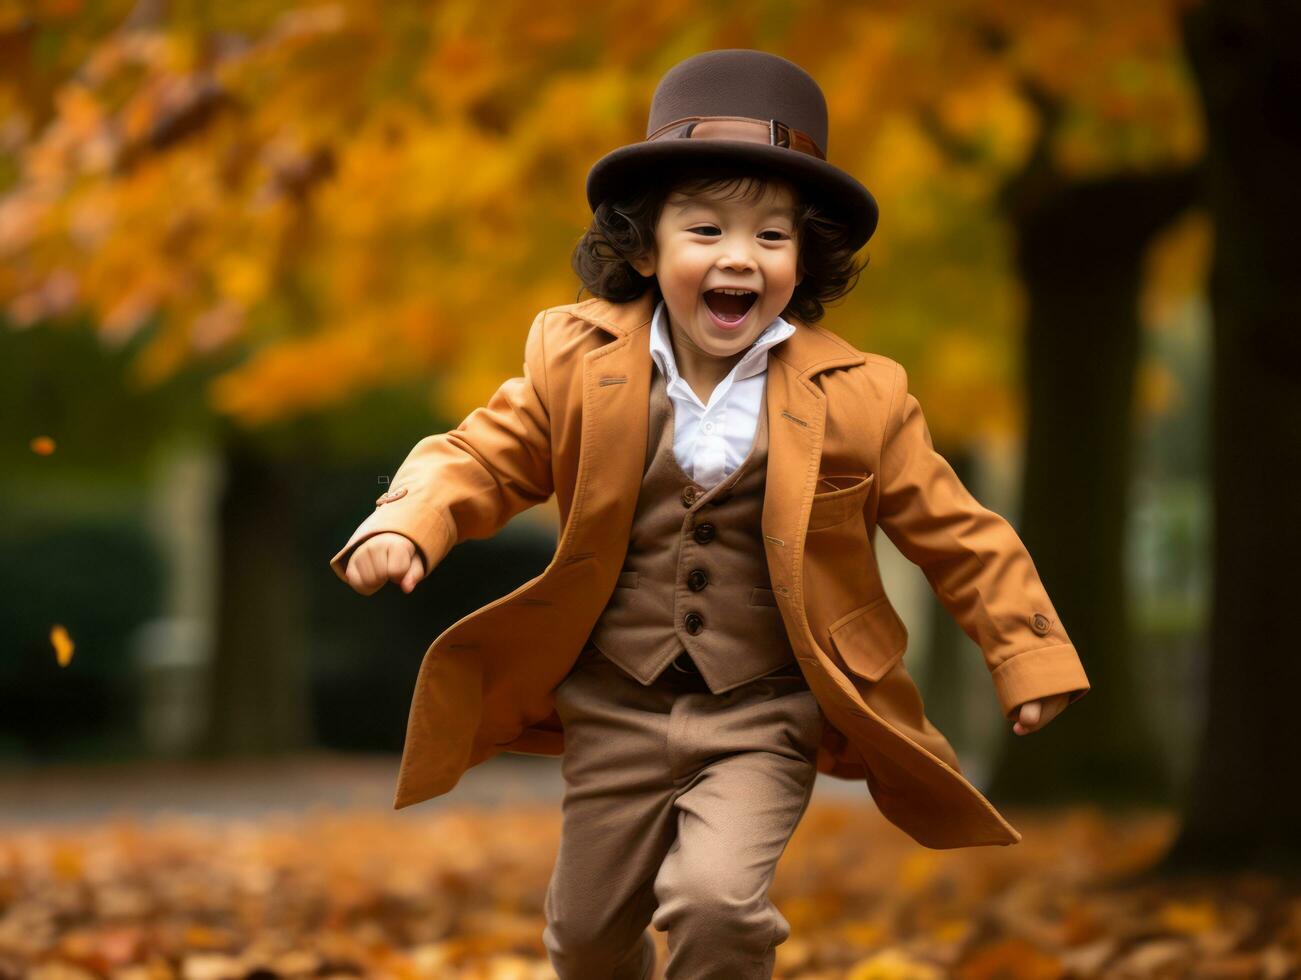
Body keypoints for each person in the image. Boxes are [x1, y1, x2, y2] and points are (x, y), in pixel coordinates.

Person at [331, 48, 1090, 980]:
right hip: (614, 701)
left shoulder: (860, 396)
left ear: (803, 259)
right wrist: (408, 521)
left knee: (715, 905)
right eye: (705, 230)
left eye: (772, 237)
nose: (738, 256)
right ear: (645, 248)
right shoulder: (573, 359)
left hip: (763, 710)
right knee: (584, 938)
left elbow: (959, 533)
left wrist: (1026, 654)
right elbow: (483, 452)